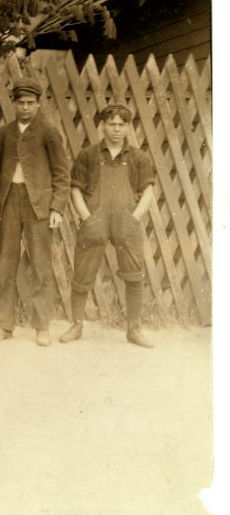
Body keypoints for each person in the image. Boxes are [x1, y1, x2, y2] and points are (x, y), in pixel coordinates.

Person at [59, 104, 155, 348]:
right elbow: (75, 189)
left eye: (121, 125)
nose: (116, 129)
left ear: (127, 127)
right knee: (82, 274)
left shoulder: (138, 157)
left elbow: (148, 190)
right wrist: (87, 218)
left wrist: (134, 218)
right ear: (102, 125)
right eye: (111, 124)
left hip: (127, 221)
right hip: (95, 221)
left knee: (134, 276)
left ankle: (134, 329)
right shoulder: (88, 155)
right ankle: (77, 324)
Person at [0, 77, 70, 346]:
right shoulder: (4, 133)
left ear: (38, 104)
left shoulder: (49, 131)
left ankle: (42, 326)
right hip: (9, 202)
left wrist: (57, 206)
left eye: (30, 103)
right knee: (6, 265)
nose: (25, 108)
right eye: (21, 103)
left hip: (39, 205)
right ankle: (4, 325)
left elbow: (61, 173)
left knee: (40, 266)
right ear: (14, 104)